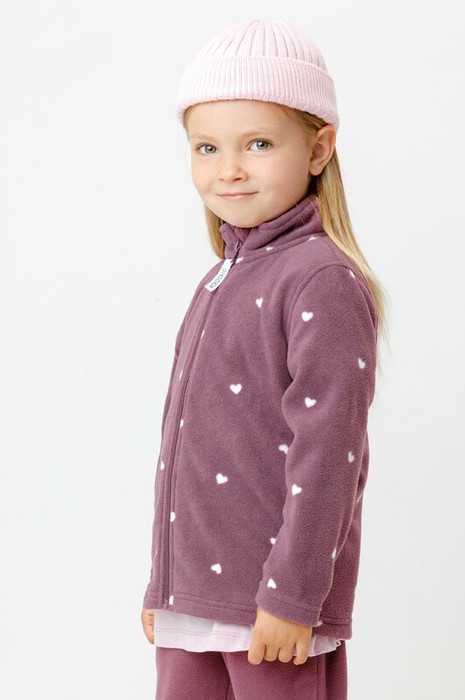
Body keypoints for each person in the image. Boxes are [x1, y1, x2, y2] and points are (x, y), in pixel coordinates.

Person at [140, 17, 388, 700]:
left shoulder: (319, 280)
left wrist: (293, 594)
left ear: (318, 148)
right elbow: (187, 451)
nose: (228, 169)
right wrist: (163, 585)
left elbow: (330, 454)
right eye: (206, 147)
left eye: (258, 143)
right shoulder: (219, 278)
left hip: (271, 607)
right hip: (194, 597)